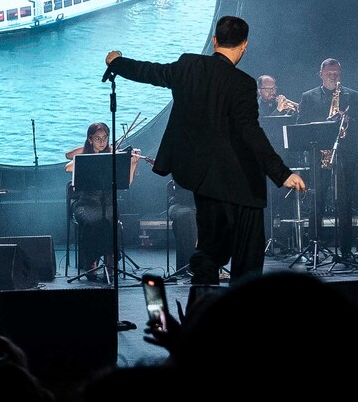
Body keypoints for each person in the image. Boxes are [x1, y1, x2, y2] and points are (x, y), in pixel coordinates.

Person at [104, 15, 306, 285]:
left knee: (210, 250)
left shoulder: (189, 66)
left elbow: (150, 72)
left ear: (214, 40)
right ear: (244, 45)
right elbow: (250, 133)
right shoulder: (243, 83)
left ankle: (201, 301)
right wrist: (281, 173)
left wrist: (117, 62)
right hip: (242, 183)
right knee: (247, 256)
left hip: (204, 180)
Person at [298, 58, 358, 262]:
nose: (333, 77)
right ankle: (314, 248)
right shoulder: (308, 97)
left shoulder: (352, 96)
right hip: (320, 154)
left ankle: (346, 250)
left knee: (345, 202)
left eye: (336, 73)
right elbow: (301, 126)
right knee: (316, 201)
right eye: (329, 73)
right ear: (321, 74)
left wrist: (348, 120)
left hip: (345, 155)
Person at [66, 122, 141, 279]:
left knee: (109, 220)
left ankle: (110, 260)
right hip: (86, 204)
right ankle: (91, 261)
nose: (102, 142)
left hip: (108, 204)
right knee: (93, 221)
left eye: (105, 138)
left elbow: (126, 183)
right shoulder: (86, 156)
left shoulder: (112, 157)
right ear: (90, 139)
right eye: (97, 138)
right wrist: (92, 154)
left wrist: (133, 164)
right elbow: (68, 164)